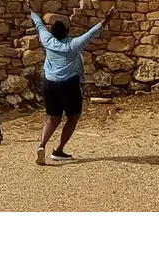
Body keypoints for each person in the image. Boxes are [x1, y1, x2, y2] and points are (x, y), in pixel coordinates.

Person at [30, 13, 104, 164]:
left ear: (53, 33)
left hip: (49, 84)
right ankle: (59, 150)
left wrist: (31, 12)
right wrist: (106, 20)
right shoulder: (73, 45)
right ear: (66, 32)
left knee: (52, 118)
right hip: (69, 85)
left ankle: (41, 146)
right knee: (73, 116)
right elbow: (91, 34)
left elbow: (39, 25)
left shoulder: (47, 40)